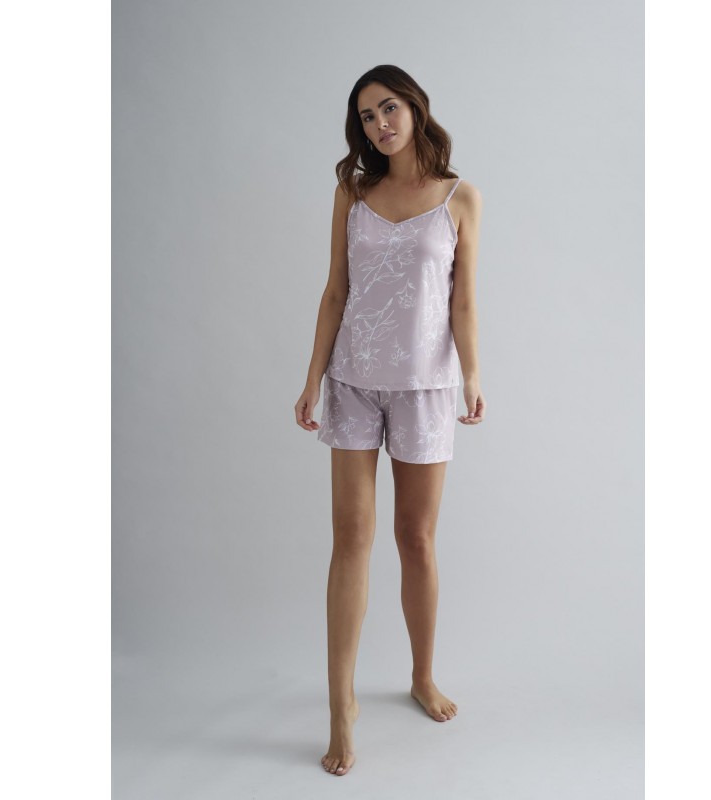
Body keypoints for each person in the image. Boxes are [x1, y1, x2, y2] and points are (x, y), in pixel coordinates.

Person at [294, 64, 486, 777]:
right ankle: (340, 706)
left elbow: (462, 299)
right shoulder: (352, 193)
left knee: (417, 539)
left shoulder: (460, 198)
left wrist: (472, 373)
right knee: (351, 537)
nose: (379, 124)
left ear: (415, 108)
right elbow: (335, 290)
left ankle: (422, 676)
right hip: (352, 382)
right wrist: (312, 378)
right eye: (367, 117)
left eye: (389, 108)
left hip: (426, 388)